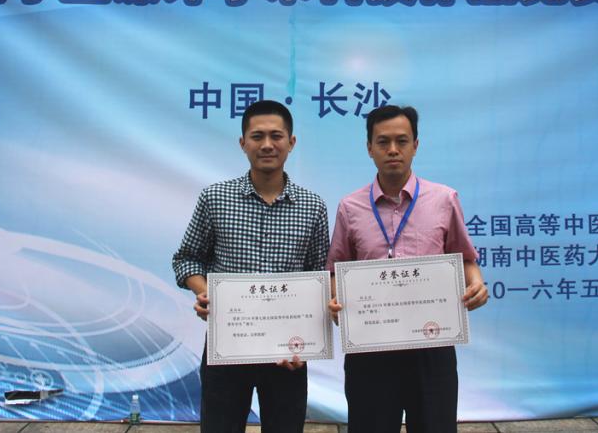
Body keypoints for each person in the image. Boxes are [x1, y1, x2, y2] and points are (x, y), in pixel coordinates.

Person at [326, 104, 488, 433]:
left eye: (401, 141)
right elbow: (335, 270)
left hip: (431, 346)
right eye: (383, 142)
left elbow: (464, 258)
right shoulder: (350, 207)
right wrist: (334, 301)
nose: (393, 150)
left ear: (416, 145)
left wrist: (477, 285)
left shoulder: (444, 199)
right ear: (369, 147)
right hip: (370, 348)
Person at [173, 99, 329, 433]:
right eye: (257, 136)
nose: (267, 144)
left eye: (276, 136)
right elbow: (186, 259)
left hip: (287, 353)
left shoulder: (313, 206)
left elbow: (318, 277)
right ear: (243, 142)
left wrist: (309, 338)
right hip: (227, 345)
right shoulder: (215, 198)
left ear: (291, 142)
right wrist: (205, 293)